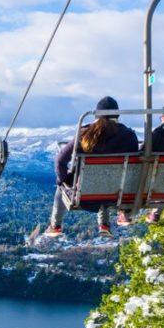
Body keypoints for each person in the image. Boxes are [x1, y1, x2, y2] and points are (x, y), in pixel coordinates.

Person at [45, 96, 139, 238]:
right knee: (109, 181)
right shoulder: (129, 136)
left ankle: (55, 226)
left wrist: (64, 181)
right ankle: (104, 224)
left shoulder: (85, 133)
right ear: (117, 115)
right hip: (117, 194)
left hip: (84, 195)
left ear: (96, 115)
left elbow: (60, 161)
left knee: (61, 186)